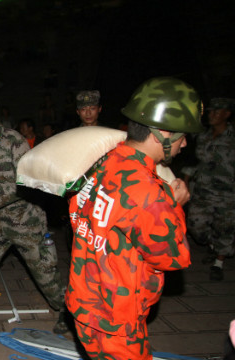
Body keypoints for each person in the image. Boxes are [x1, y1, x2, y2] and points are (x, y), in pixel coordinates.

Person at [66, 77, 202, 359]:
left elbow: (77, 211)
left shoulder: (102, 159)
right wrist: (174, 206)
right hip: (116, 318)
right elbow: (173, 257)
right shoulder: (149, 194)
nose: (185, 143)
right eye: (181, 135)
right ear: (160, 134)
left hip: (84, 301)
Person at [0, 93, 68, 337]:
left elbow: (29, 183)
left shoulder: (14, 141)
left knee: (46, 274)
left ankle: (68, 312)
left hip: (25, 224)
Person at [185, 97, 235, 281]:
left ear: (227, 114)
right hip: (203, 191)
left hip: (228, 194)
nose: (211, 115)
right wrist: (185, 181)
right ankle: (213, 246)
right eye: (210, 111)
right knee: (195, 226)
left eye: (216, 111)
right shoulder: (203, 136)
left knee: (225, 229)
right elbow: (194, 162)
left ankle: (218, 263)